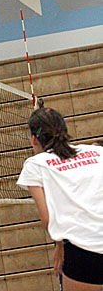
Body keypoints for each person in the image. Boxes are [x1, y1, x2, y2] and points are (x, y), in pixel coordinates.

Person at [17, 107, 103, 291]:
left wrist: (59, 244)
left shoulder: (35, 164)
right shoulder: (97, 152)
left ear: (34, 140)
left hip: (84, 252)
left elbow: (49, 219)